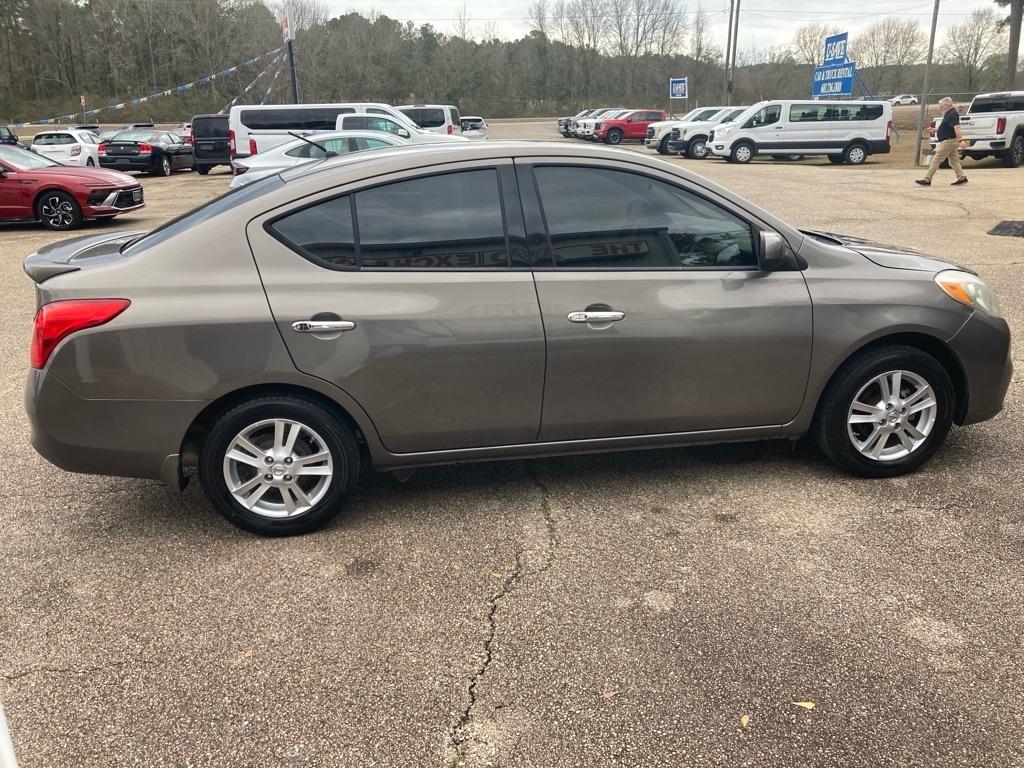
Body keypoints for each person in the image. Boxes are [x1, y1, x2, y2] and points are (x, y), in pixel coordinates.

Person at [917, 97, 968, 186]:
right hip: (950, 140)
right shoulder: (948, 113)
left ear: (946, 105)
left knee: (936, 159)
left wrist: (961, 140)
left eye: (940, 105)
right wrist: (935, 130)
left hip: (949, 141)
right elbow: (947, 128)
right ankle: (962, 178)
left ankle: (927, 179)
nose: (939, 107)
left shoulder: (952, 114)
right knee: (953, 161)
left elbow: (957, 127)